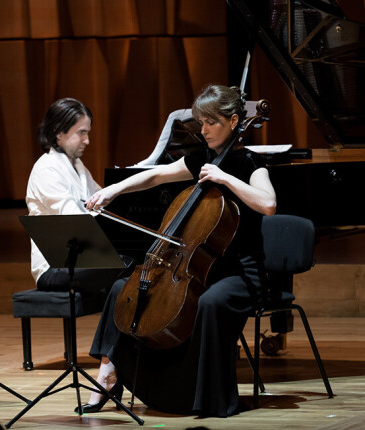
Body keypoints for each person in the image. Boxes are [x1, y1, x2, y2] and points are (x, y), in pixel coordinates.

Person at [80, 85, 277, 417]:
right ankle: (109, 371)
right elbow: (156, 175)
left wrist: (226, 178)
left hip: (240, 273)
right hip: (195, 271)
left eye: (210, 123)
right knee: (122, 289)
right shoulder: (201, 158)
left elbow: (268, 204)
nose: (203, 131)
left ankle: (208, 397)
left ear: (232, 121)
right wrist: (115, 189)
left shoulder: (249, 162)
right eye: (200, 122)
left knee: (211, 304)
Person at [25, 98, 131, 294]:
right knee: (128, 264)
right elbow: (76, 222)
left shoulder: (79, 168)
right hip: (55, 267)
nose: (87, 140)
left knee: (134, 264)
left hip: (82, 261)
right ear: (59, 132)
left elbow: (102, 202)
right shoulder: (46, 169)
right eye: (81, 133)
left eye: (88, 132)